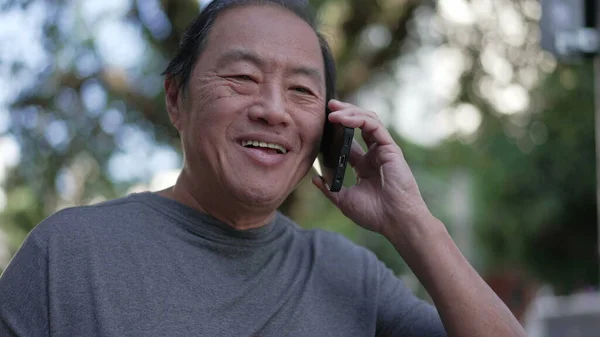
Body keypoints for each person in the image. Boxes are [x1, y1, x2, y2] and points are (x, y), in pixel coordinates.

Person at [0, 0, 526, 336]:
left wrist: (413, 225)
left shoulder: (353, 277)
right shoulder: (67, 255)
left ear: (328, 128)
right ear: (176, 99)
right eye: (243, 78)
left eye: (301, 90)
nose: (273, 109)